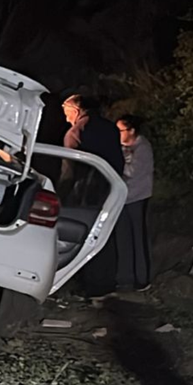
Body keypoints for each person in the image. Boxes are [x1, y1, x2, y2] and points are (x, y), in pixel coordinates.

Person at [61, 94, 125, 298]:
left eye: (67, 113)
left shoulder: (75, 132)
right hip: (111, 189)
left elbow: (68, 170)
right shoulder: (110, 128)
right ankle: (108, 283)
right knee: (106, 235)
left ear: (76, 110)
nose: (66, 118)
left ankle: (90, 285)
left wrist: (61, 193)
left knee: (85, 235)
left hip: (86, 193)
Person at [115, 114, 154, 291]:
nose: (118, 134)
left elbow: (132, 172)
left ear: (131, 130)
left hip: (138, 197)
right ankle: (124, 277)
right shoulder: (120, 146)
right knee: (123, 238)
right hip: (121, 199)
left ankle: (142, 278)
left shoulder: (142, 147)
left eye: (120, 130)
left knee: (138, 237)